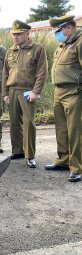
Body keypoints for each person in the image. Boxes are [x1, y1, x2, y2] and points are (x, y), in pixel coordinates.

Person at [2, 20, 48, 168]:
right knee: (14, 122)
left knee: (28, 122)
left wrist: (36, 91)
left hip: (28, 91)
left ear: (27, 34)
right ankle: (17, 151)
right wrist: (5, 92)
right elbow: (4, 74)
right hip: (13, 90)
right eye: (13, 34)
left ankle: (30, 155)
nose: (15, 37)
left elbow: (42, 72)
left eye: (19, 34)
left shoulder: (37, 49)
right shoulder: (10, 51)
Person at [45, 15, 81, 182]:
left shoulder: (79, 42)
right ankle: (63, 160)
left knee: (75, 131)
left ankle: (77, 167)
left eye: (58, 30)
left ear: (68, 28)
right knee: (61, 129)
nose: (56, 34)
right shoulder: (64, 44)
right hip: (58, 91)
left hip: (74, 92)